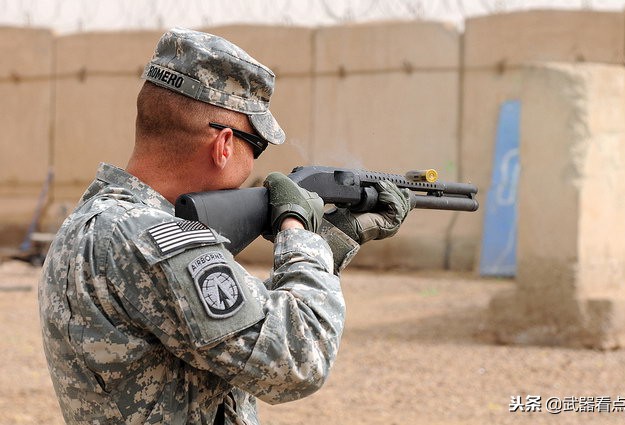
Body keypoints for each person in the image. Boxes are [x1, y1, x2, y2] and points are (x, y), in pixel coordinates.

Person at [39, 27, 411, 425]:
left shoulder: (96, 220)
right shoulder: (157, 239)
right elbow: (298, 361)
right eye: (258, 147)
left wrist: (329, 246)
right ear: (224, 145)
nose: (255, 166)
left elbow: (226, 329)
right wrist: (294, 228)